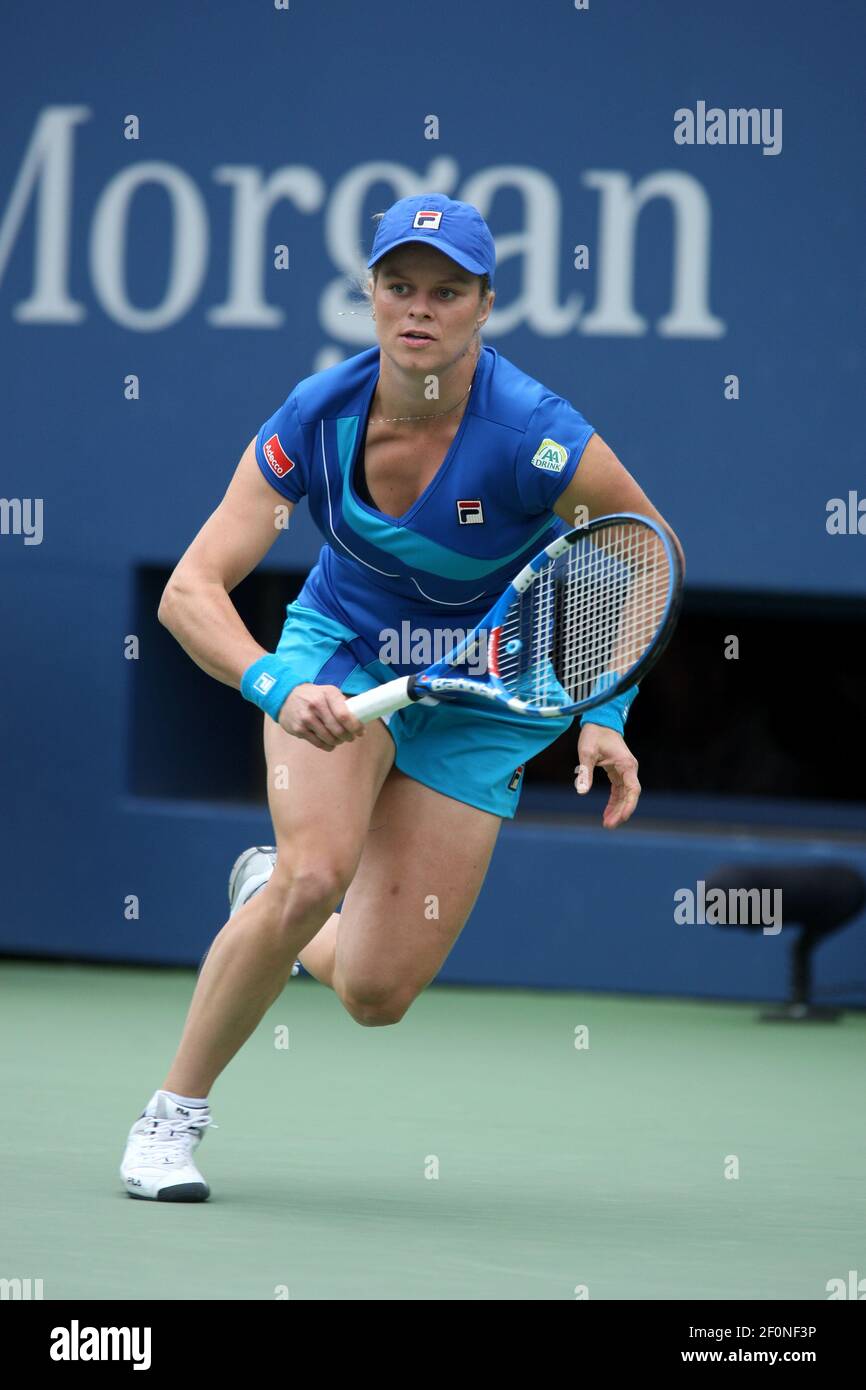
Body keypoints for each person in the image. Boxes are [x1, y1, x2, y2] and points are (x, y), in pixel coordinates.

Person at [120, 193, 684, 1201]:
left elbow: (637, 557)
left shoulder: (535, 435)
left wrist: (604, 711)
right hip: (340, 648)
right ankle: (171, 1119)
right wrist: (275, 684)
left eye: (445, 291)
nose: (417, 309)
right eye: (397, 287)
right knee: (313, 873)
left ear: (483, 306)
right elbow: (188, 591)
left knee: (377, 994)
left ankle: (260, 894)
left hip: (484, 690)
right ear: (369, 295)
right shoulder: (315, 417)